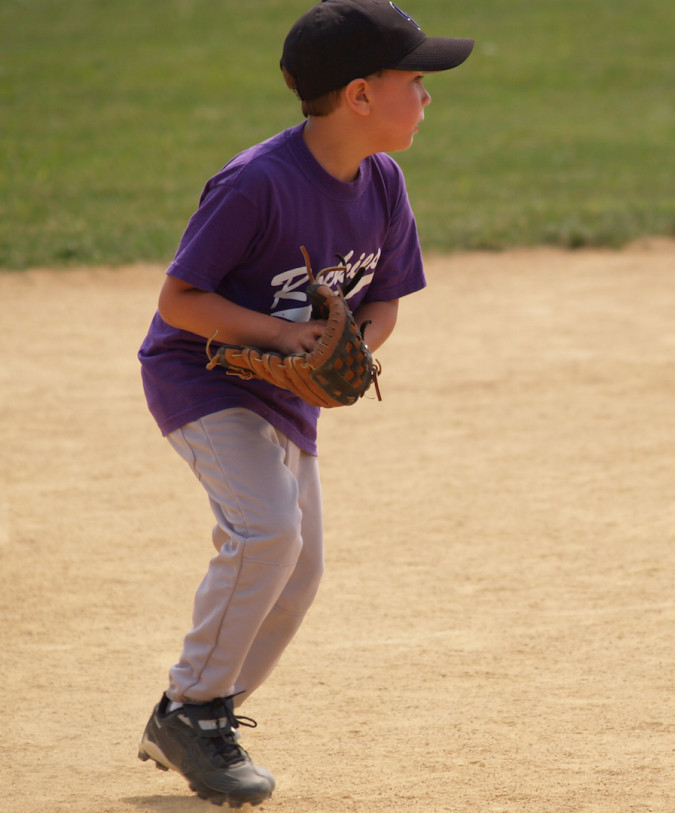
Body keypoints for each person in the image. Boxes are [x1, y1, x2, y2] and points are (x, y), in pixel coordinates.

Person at [135, 1, 473, 805]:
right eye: (415, 81)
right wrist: (283, 339)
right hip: (205, 376)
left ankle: (201, 713)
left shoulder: (383, 185)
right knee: (267, 530)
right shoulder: (258, 183)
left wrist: (346, 348)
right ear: (359, 95)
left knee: (300, 568)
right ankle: (192, 707)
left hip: (287, 397)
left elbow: (386, 300)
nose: (428, 98)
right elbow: (180, 299)